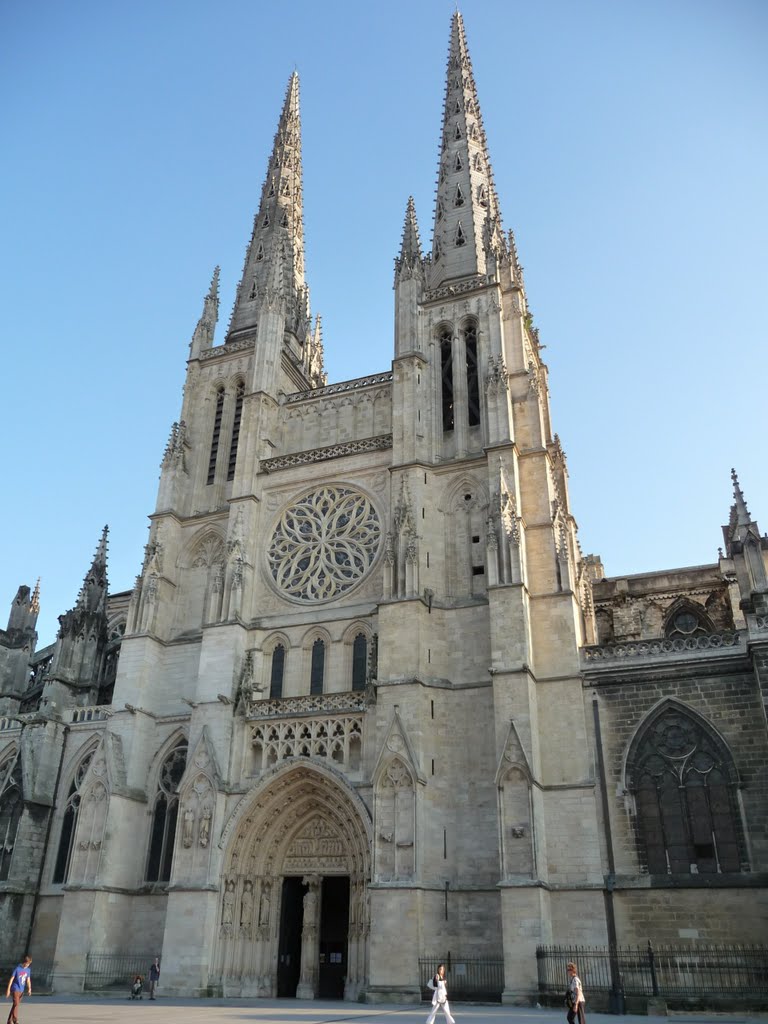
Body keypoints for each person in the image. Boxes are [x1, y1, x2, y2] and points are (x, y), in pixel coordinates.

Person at [5, 955, 31, 1024]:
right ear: (24, 962)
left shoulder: (28, 970)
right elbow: (11, 979)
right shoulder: (17, 969)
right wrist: (8, 990)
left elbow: (28, 980)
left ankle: (9, 1021)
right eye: (27, 964)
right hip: (15, 988)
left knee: (15, 1005)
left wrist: (29, 989)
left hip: (21, 990)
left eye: (29, 964)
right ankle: (15, 1020)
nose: (28, 965)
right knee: (16, 1004)